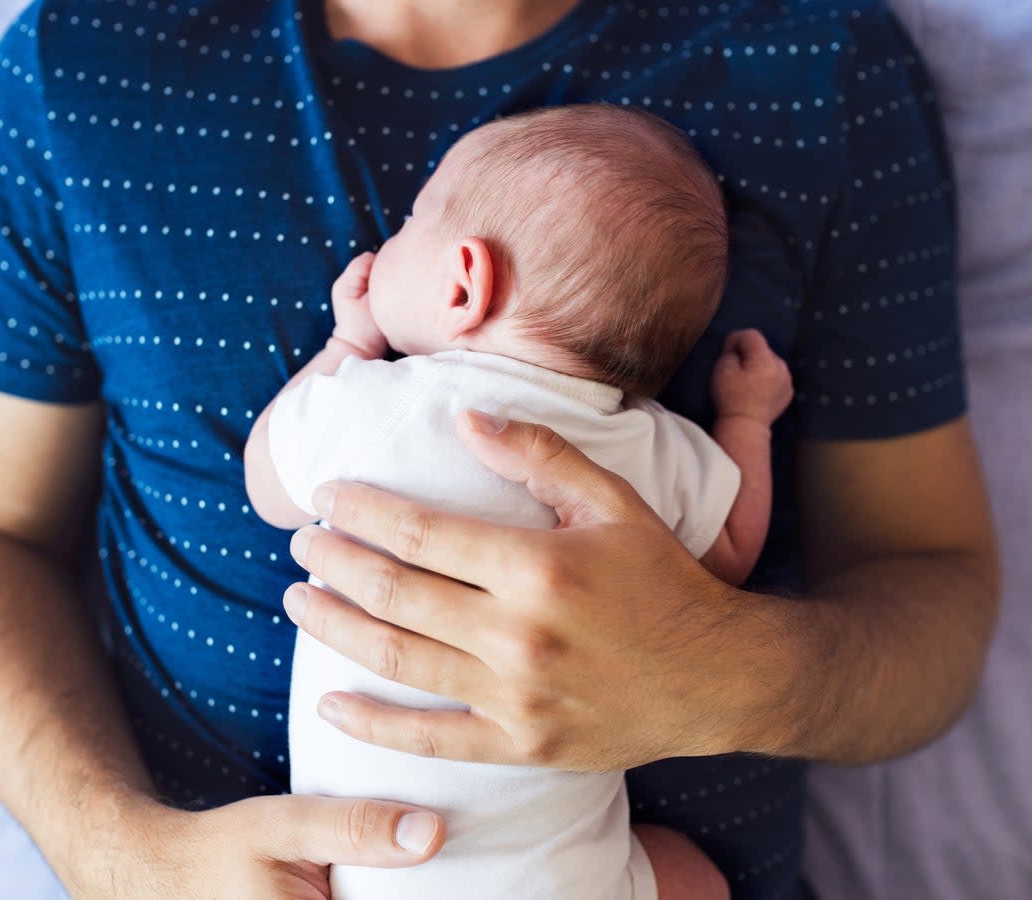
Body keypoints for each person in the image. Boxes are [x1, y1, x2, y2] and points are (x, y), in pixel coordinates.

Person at [0, 1, 998, 898]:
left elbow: (931, 584)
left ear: (462, 279)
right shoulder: (83, 60)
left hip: (364, 860)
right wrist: (119, 858)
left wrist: (718, 678)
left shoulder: (815, 54)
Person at [246, 104, 793, 900]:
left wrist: (346, 349)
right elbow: (735, 551)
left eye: (410, 224)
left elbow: (267, 487)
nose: (388, 242)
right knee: (693, 874)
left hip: (375, 866)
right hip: (570, 879)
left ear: (465, 282)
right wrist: (747, 419)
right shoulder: (648, 448)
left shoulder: (380, 404)